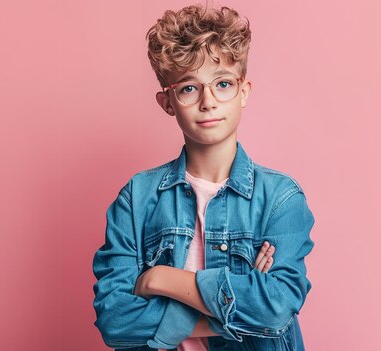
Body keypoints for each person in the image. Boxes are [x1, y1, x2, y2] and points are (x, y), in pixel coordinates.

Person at [91, 2, 316, 351]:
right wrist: (236, 307)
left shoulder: (280, 198)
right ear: (168, 102)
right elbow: (115, 320)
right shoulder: (137, 199)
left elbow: (276, 310)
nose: (208, 101)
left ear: (243, 92)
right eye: (189, 88)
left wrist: (160, 278)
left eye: (223, 83)